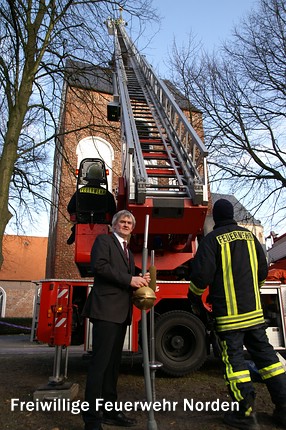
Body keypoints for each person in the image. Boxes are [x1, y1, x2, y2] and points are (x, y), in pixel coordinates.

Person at [188, 198, 286, 430]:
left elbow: (201, 276)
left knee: (235, 363)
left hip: (229, 317)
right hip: (253, 313)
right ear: (231, 214)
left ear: (216, 217)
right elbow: (263, 271)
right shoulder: (251, 238)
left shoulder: (212, 240)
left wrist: (194, 297)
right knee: (267, 359)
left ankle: (245, 413)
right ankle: (283, 409)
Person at [81, 210, 151, 430]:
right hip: (105, 312)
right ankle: (91, 419)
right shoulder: (104, 241)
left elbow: (125, 277)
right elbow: (100, 268)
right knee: (99, 366)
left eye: (130, 222)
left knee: (112, 367)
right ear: (114, 224)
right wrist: (131, 279)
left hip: (120, 313)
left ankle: (110, 412)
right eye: (123, 221)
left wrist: (141, 280)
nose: (126, 224)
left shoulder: (128, 251)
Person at [67, 162, 116, 245]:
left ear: (87, 177)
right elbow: (113, 211)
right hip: (102, 227)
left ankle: (73, 235)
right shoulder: (108, 195)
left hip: (82, 226)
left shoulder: (79, 192)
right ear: (101, 178)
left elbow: (70, 208)